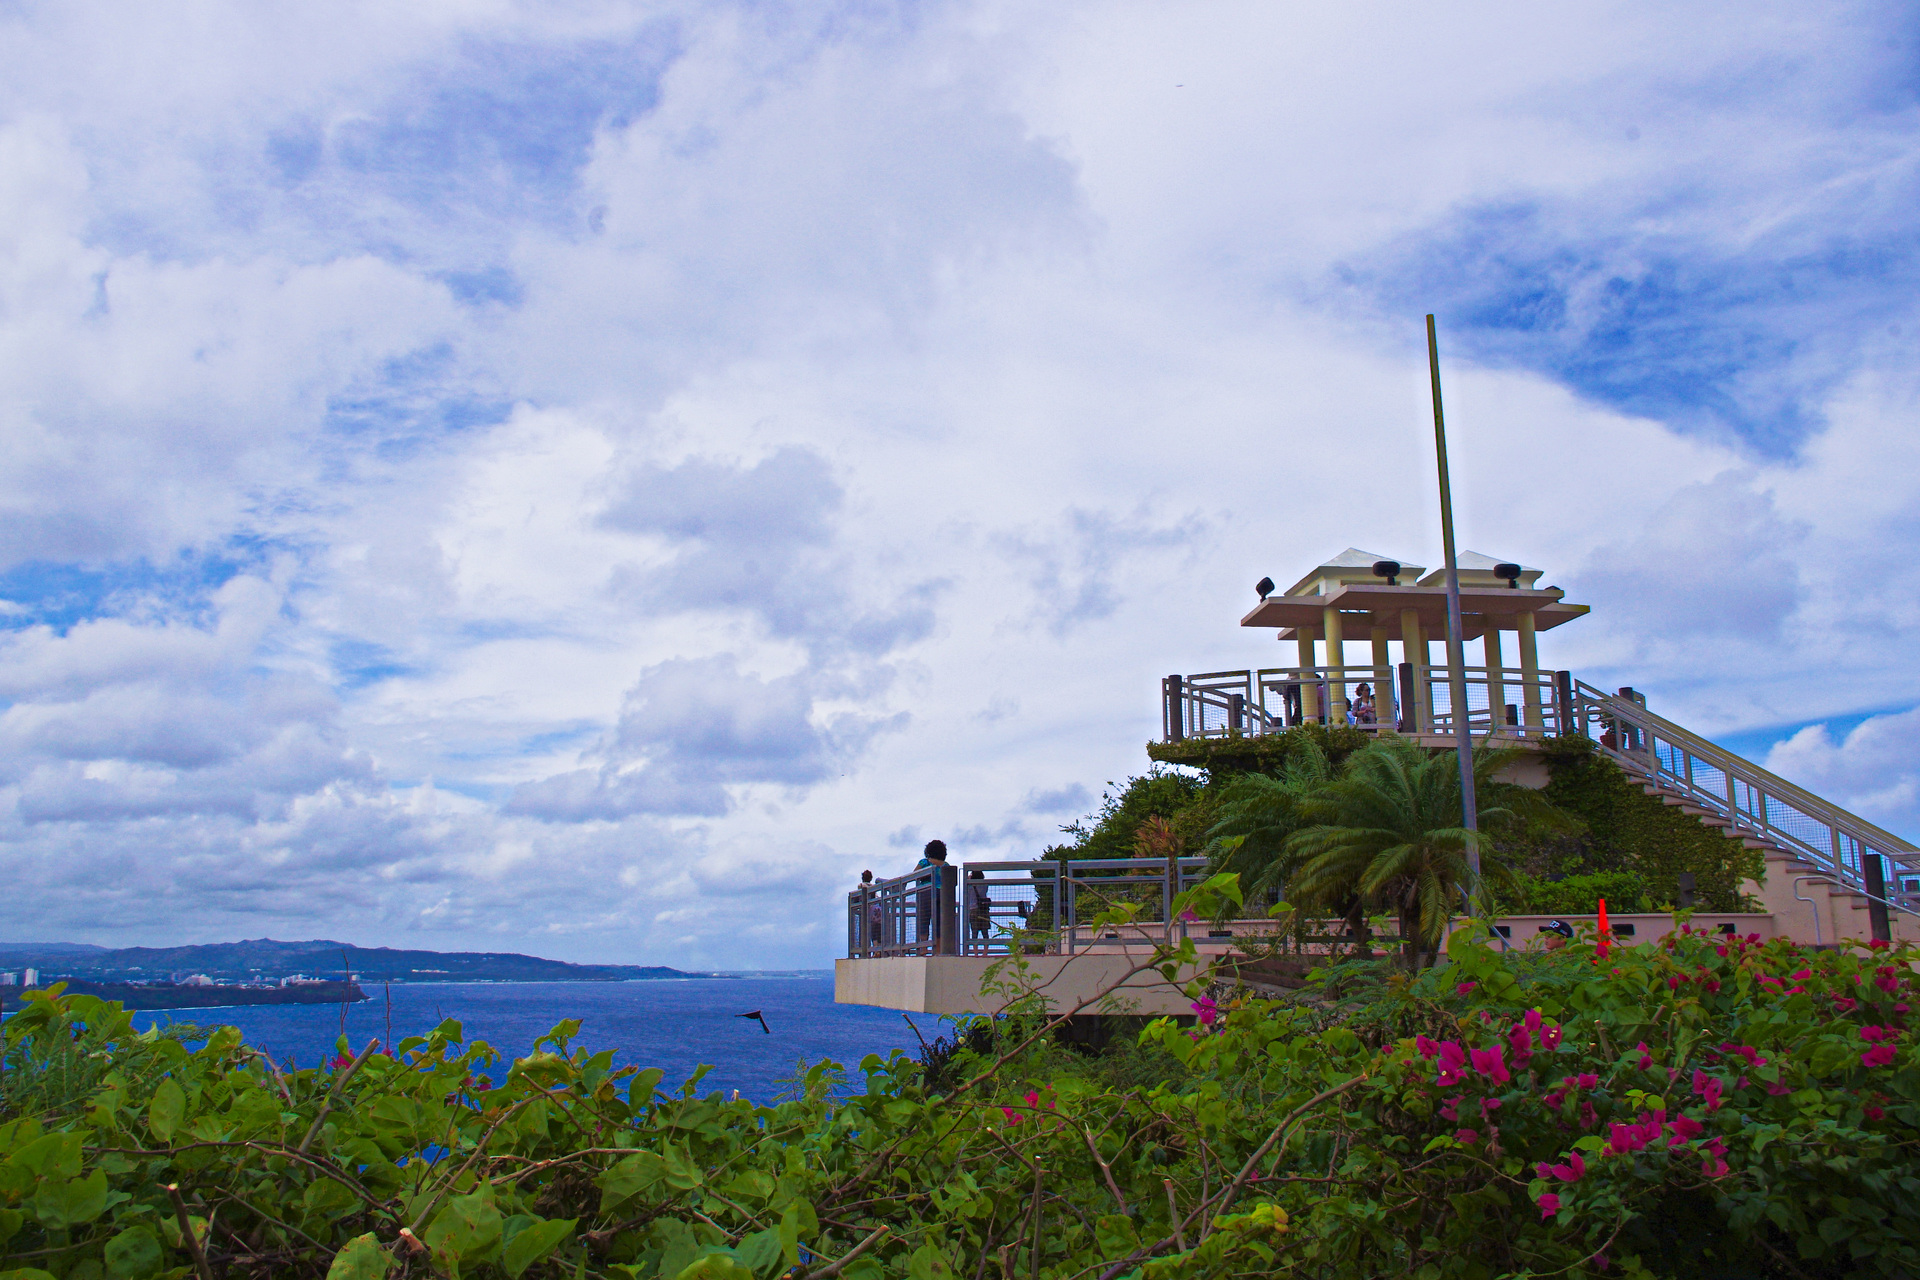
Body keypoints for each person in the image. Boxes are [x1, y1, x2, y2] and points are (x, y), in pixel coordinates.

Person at [914, 840, 949, 953]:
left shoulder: (925, 862)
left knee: (924, 920)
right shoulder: (945, 865)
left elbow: (915, 874)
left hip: (926, 892)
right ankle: (938, 949)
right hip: (943, 893)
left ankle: (923, 947)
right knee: (939, 921)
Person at [967, 869, 993, 944]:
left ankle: (975, 953)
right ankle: (985, 952)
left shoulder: (970, 885)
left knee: (974, 933)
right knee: (985, 932)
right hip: (984, 909)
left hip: (973, 909)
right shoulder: (984, 885)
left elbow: (966, 888)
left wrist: (968, 878)